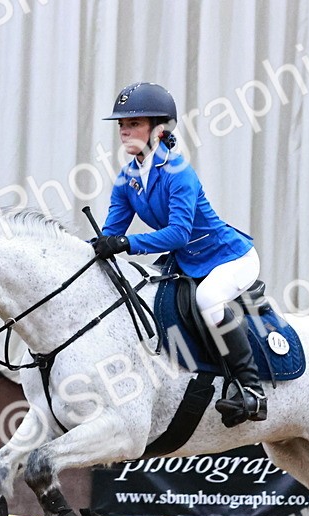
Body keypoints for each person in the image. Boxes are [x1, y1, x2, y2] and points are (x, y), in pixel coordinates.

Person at [92, 81, 267, 426]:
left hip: (229, 257)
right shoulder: (127, 178)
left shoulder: (179, 173)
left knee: (209, 298)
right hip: (187, 262)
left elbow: (179, 233)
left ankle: (251, 389)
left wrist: (128, 245)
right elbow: (111, 234)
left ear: (158, 130)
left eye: (134, 124)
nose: (125, 132)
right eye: (122, 126)